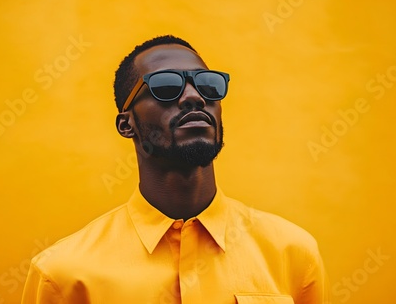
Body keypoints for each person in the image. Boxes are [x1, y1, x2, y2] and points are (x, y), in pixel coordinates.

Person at [21, 35, 330, 304]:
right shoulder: (63, 274)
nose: (194, 96)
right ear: (126, 124)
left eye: (208, 85)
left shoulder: (291, 254)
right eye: (166, 86)